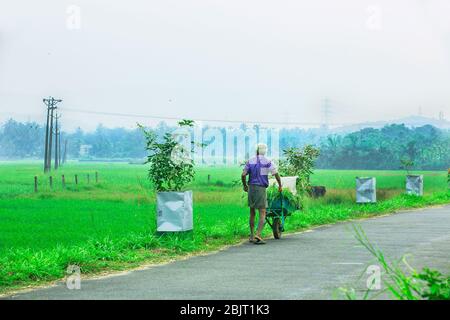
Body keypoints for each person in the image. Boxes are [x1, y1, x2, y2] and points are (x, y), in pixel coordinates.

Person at [241, 143, 282, 244]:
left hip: (251, 188)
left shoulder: (250, 161)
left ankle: (251, 236)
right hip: (261, 188)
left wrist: (245, 185)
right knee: (263, 212)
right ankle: (258, 235)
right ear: (265, 151)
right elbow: (275, 174)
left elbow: (243, 175)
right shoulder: (267, 162)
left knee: (252, 212)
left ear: (256, 151)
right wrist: (280, 185)